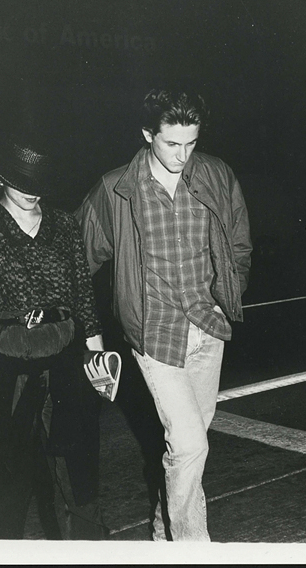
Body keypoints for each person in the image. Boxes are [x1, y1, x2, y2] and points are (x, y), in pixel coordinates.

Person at [75, 88, 252, 541]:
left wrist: (226, 294)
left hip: (208, 327)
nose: (183, 155)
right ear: (147, 134)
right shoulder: (116, 190)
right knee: (191, 445)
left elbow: (238, 244)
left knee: (186, 451)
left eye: (191, 143)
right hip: (155, 335)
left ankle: (162, 535)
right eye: (172, 143)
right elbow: (77, 257)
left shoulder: (216, 175)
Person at [0, 131, 108, 540]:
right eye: (20, 180)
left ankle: (86, 546)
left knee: (74, 463)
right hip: (7, 359)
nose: (30, 192)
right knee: (9, 465)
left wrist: (98, 357)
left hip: (65, 355)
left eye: (37, 184)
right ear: (3, 176)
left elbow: (83, 293)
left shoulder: (62, 223)